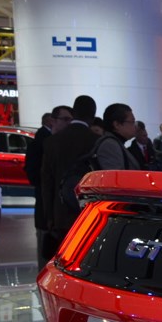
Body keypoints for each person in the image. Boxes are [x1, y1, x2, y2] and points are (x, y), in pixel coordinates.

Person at [40, 94, 100, 263]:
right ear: (93, 116)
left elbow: (47, 182)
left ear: (74, 113)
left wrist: (50, 217)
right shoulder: (97, 141)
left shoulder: (53, 142)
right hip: (90, 213)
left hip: (61, 215)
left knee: (64, 262)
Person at [25, 105, 72, 262]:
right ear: (53, 121)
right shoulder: (41, 143)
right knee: (47, 259)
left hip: (65, 214)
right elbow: (34, 175)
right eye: (65, 119)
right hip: (47, 212)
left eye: (70, 120)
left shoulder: (65, 144)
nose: (68, 123)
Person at [97, 104, 141, 170]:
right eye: (132, 122)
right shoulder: (109, 145)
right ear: (117, 124)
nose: (135, 126)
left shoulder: (116, 143)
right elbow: (115, 178)